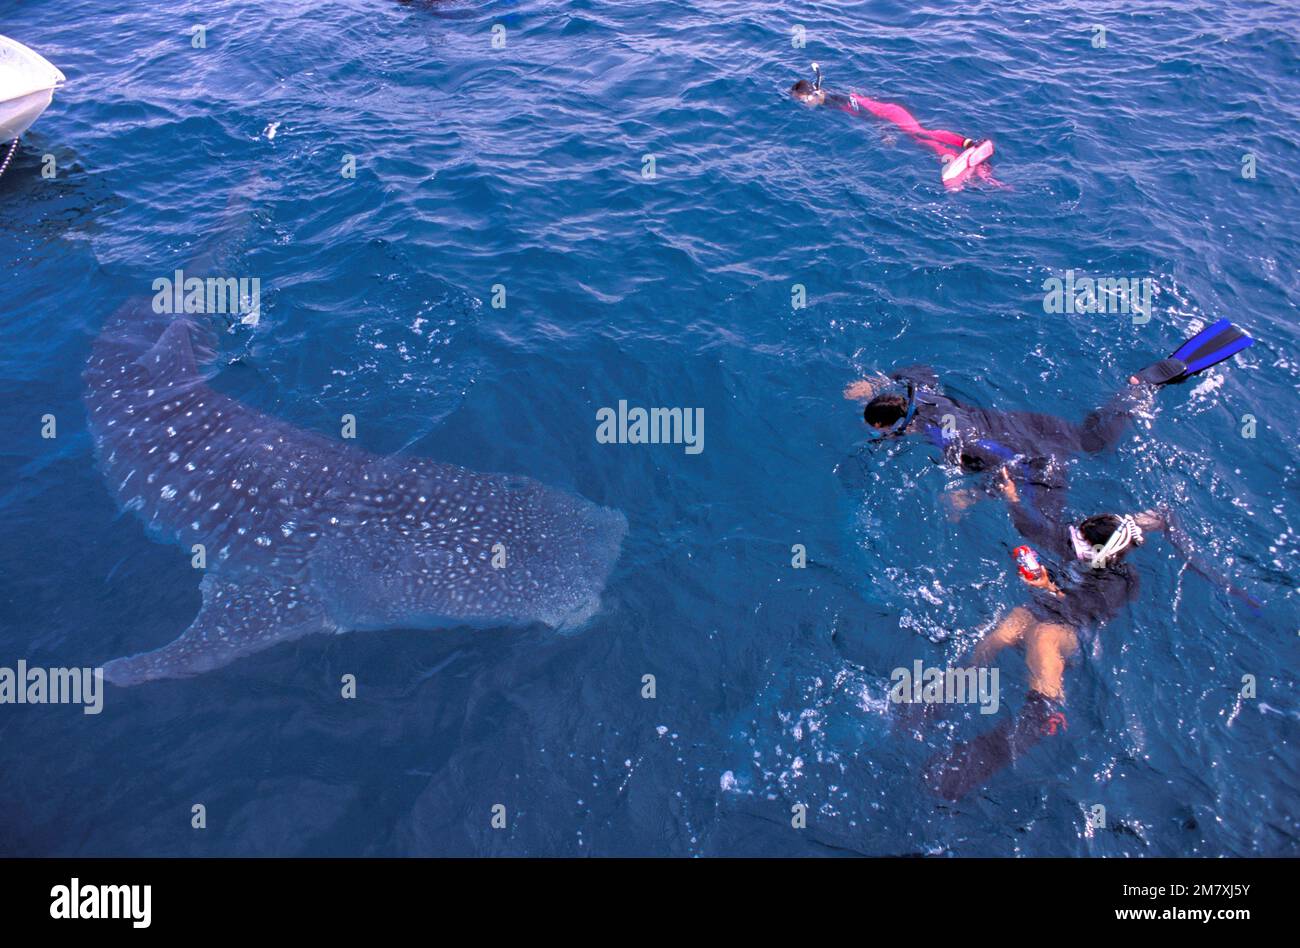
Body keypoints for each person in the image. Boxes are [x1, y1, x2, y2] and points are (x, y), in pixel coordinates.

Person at [922, 469, 1258, 801]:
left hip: (1073, 631)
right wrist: (1012, 499)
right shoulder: (1095, 540)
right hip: (1049, 606)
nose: (1073, 547)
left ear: (1103, 553)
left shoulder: (1119, 582)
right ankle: (954, 684)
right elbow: (1036, 530)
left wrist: (1048, 587)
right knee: (1009, 625)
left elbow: (1078, 611)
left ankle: (1044, 715)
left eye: (1082, 546)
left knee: (1044, 636)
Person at [844, 319, 1255, 521]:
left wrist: (971, 496)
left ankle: (1144, 385)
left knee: (1093, 450)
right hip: (1029, 423)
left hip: (1030, 449)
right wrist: (877, 380)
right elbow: (920, 370)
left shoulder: (948, 437)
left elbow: (1013, 462)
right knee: (1088, 434)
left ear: (889, 425)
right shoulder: (921, 396)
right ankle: (1141, 383)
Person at [790, 63, 994, 185]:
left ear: (812, 95)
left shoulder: (835, 99)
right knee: (918, 139)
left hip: (889, 115)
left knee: (920, 135)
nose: (803, 104)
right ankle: (954, 154)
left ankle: (966, 144)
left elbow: (866, 113)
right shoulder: (824, 98)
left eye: (802, 100)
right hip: (885, 115)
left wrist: (883, 131)